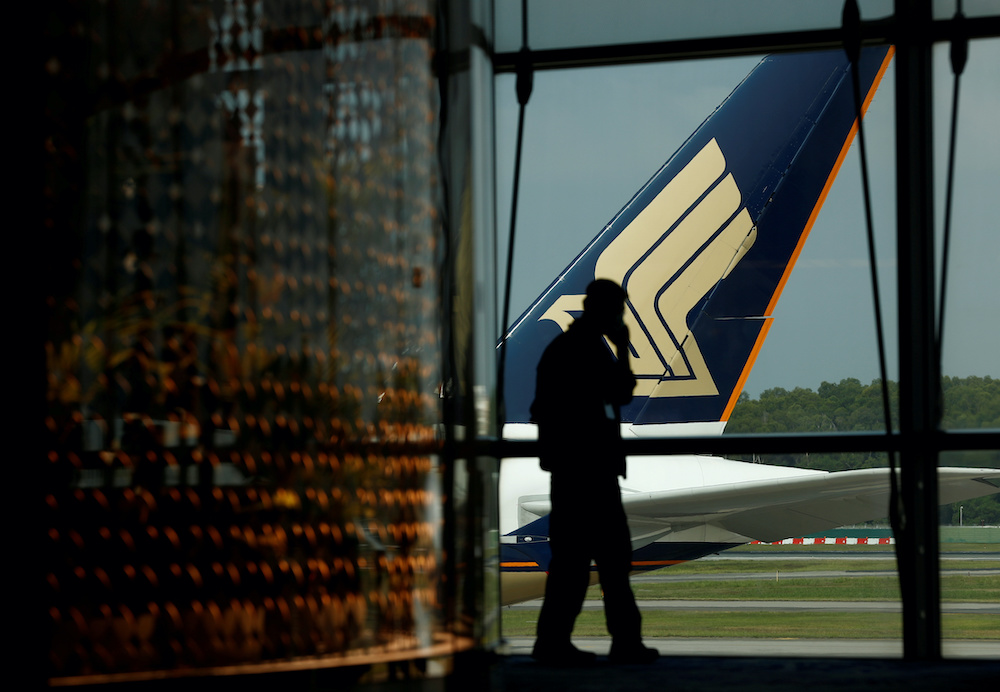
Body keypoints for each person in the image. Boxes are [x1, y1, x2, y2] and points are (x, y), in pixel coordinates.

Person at [529, 279, 659, 666]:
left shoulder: (567, 349)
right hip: (589, 476)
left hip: (573, 475)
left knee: (573, 565)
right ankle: (619, 642)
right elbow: (623, 393)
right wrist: (623, 347)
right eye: (617, 310)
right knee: (611, 564)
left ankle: (554, 642)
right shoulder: (587, 351)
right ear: (605, 309)